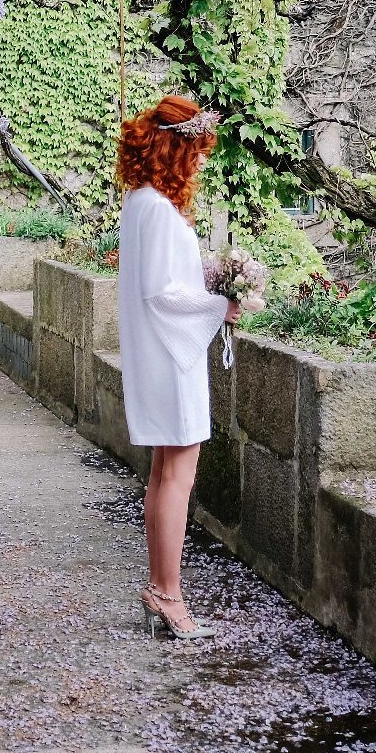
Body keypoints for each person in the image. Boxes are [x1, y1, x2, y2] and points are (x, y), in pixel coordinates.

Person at [115, 94, 240, 641]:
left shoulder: (138, 202)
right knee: (178, 476)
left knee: (164, 473)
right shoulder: (161, 213)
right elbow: (164, 293)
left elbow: (161, 280)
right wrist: (221, 304)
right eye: (196, 152)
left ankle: (159, 587)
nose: (200, 163)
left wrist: (206, 278)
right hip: (172, 355)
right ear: (176, 150)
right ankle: (168, 594)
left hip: (156, 353)